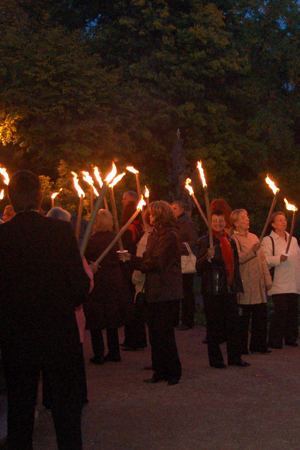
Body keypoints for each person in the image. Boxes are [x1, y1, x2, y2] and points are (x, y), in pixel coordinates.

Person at [0, 170, 90, 450]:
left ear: (11, 198)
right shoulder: (61, 231)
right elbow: (78, 286)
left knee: (20, 409)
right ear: (39, 197)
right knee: (66, 410)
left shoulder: (2, 236)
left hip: (16, 337)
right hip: (57, 335)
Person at [121, 201, 182, 385]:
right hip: (153, 291)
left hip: (167, 292)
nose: (150, 218)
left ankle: (173, 372)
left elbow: (156, 262)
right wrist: (131, 258)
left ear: (161, 215)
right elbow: (148, 257)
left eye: (154, 215)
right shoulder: (154, 235)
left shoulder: (170, 236)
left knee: (165, 334)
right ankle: (159, 371)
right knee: (154, 334)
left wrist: (132, 260)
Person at [196, 210, 250, 369]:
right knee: (213, 325)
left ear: (225, 222)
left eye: (221, 221)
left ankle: (235, 357)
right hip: (212, 289)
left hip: (228, 287)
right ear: (210, 223)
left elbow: (235, 265)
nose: (219, 224)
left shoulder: (230, 240)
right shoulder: (204, 241)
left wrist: (237, 287)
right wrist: (207, 257)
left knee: (233, 324)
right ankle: (216, 360)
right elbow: (198, 267)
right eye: (215, 221)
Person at [84, 209, 132, 364]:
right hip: (113, 281)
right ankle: (114, 352)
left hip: (97, 282)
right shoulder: (116, 239)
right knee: (111, 317)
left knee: (96, 319)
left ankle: (99, 354)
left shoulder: (90, 241)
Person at [231, 209, 272, 354]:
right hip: (245, 283)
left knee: (260, 317)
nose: (247, 220)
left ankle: (259, 345)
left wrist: (267, 280)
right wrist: (252, 252)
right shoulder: (234, 240)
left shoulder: (255, 237)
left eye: (247, 217)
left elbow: (262, 260)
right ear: (235, 223)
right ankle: (241, 347)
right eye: (243, 218)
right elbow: (239, 259)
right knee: (243, 319)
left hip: (258, 283)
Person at [262, 211, 300, 349]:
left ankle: (290, 338)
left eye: (285, 220)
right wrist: (279, 259)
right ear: (273, 224)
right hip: (279, 281)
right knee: (281, 311)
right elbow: (264, 260)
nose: (284, 222)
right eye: (279, 220)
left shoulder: (293, 239)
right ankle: (274, 340)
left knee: (292, 311)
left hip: (293, 281)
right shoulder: (268, 240)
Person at [120, 198, 146, 351]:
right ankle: (140, 338)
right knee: (138, 305)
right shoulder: (142, 226)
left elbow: (126, 250)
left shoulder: (127, 230)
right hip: (138, 266)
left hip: (129, 268)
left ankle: (132, 339)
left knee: (130, 305)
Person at [171, 201, 198, 330]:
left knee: (187, 292)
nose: (173, 210)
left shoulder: (187, 223)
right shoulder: (173, 223)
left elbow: (193, 241)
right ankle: (176, 319)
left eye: (175, 208)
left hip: (185, 262)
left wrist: (179, 247)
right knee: (176, 291)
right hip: (176, 261)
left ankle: (188, 320)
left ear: (182, 209)